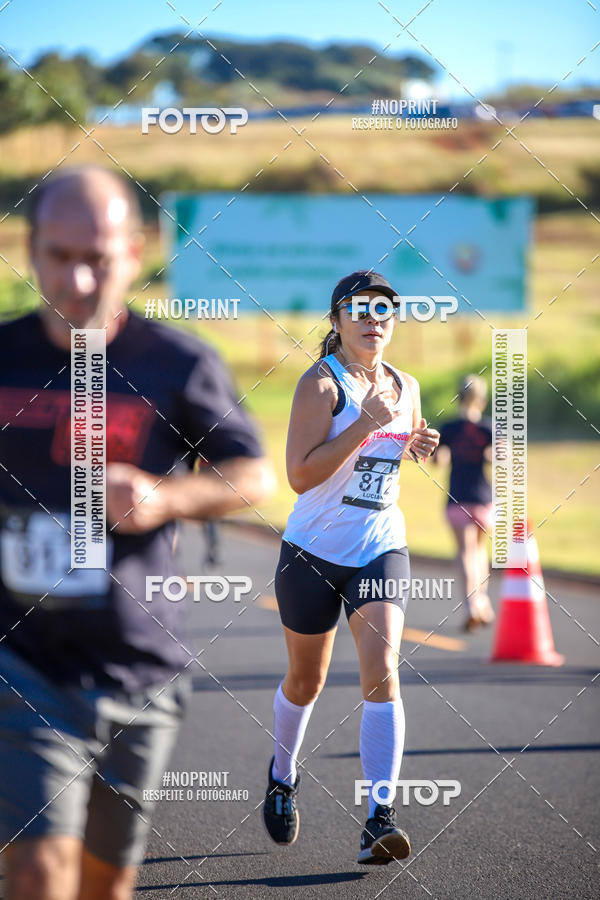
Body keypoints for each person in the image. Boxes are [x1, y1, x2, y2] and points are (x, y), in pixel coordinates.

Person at [0, 165, 275, 900]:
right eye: (60, 256)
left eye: (98, 258)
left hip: (139, 667)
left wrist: (164, 497)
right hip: (22, 662)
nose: (78, 280)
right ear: (30, 250)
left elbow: (253, 475)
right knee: (37, 873)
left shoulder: (175, 362)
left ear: (134, 251)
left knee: (106, 883)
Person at [261, 270, 439, 865]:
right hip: (312, 552)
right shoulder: (320, 385)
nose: (372, 320)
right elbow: (300, 475)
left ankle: (379, 819)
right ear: (336, 321)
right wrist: (365, 424)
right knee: (305, 681)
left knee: (383, 669)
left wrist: (413, 445)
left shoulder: (406, 385)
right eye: (359, 310)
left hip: (379, 545)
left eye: (383, 310)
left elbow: (385, 460)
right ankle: (283, 775)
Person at [433, 374, 495, 631]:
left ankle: (472, 605)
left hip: (458, 498)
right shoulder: (488, 428)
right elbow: (499, 458)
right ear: (482, 400)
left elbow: (438, 460)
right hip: (483, 499)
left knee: (465, 553)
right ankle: (483, 602)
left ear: (458, 398)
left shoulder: (449, 428)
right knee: (479, 552)